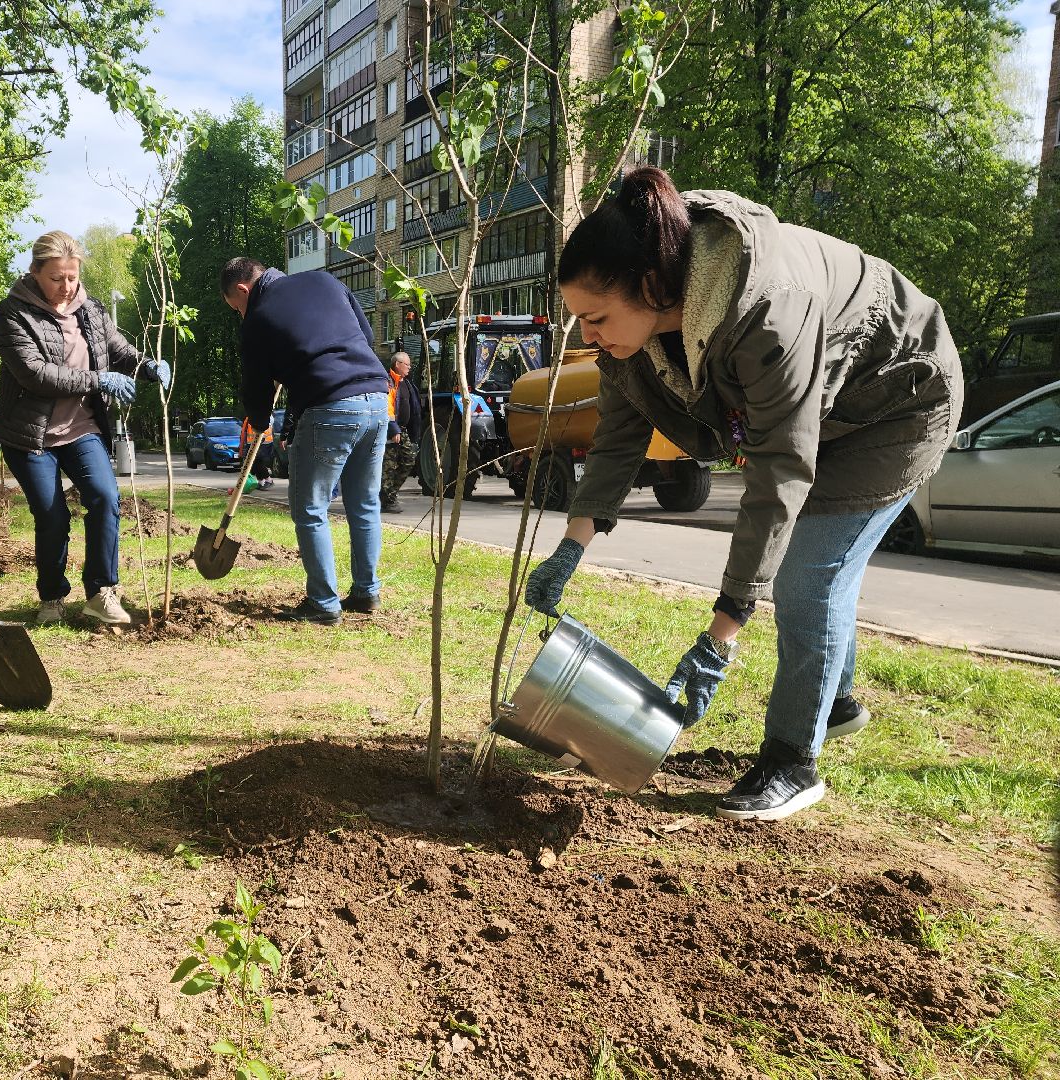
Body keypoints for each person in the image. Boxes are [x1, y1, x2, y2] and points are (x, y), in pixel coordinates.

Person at [524, 167, 961, 822]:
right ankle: (833, 704)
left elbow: (780, 466)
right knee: (818, 570)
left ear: (649, 287)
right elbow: (617, 440)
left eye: (594, 317)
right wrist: (571, 545)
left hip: (896, 401)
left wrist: (720, 636)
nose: (586, 335)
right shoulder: (641, 321)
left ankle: (793, 761)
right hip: (827, 406)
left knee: (811, 575)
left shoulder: (765, 306)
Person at [0, 230, 170, 627]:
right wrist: (98, 380)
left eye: (72, 277)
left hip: (82, 429)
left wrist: (146, 366)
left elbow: (117, 350)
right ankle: (53, 597)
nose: (66, 286)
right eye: (57, 278)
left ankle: (101, 592)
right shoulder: (13, 313)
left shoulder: (90, 309)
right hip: (31, 436)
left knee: (106, 498)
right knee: (53, 516)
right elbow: (34, 374)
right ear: (36, 271)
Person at [222, 257, 390, 623]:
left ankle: (323, 604)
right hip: (377, 399)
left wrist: (260, 421)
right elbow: (368, 336)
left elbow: (255, 386)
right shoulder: (326, 281)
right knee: (364, 504)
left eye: (237, 308)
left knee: (310, 509)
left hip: (329, 404)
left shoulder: (258, 320)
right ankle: (367, 592)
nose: (241, 315)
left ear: (243, 290)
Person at [379, 350, 421, 512]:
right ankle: (387, 500)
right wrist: (393, 428)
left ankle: (388, 494)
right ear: (397, 364)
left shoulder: (408, 383)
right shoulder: (388, 383)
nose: (410, 367)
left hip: (403, 430)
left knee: (409, 460)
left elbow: (415, 409)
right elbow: (387, 407)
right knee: (388, 466)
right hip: (391, 430)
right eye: (407, 364)